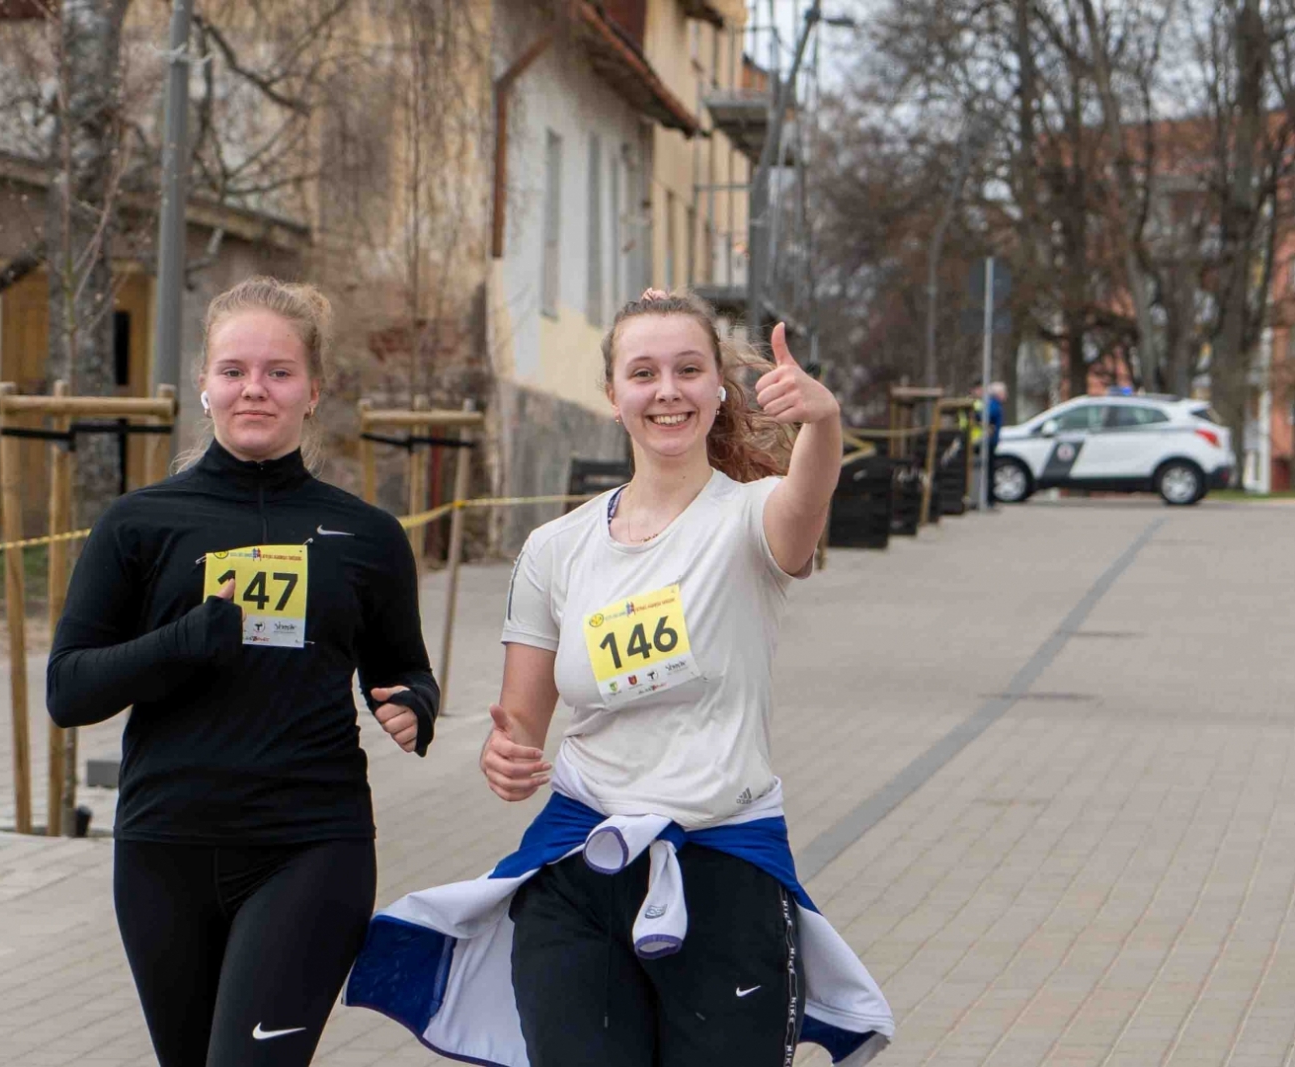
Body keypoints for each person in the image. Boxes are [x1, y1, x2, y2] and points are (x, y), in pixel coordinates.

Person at [345, 291, 892, 1066]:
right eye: (644, 372)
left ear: (716, 390)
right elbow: (520, 730)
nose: (666, 389)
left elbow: (807, 502)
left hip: (724, 869)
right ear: (613, 396)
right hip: (581, 870)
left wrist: (823, 421)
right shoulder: (555, 549)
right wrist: (505, 759)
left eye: (688, 369)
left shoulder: (752, 519)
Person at [46, 277, 440, 1067]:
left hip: (309, 847)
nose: (253, 389)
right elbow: (69, 689)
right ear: (203, 385)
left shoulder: (366, 535)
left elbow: (404, 669)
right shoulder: (139, 524)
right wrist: (183, 640)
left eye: (278, 372)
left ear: (313, 391)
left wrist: (415, 707)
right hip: (165, 849)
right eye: (233, 371)